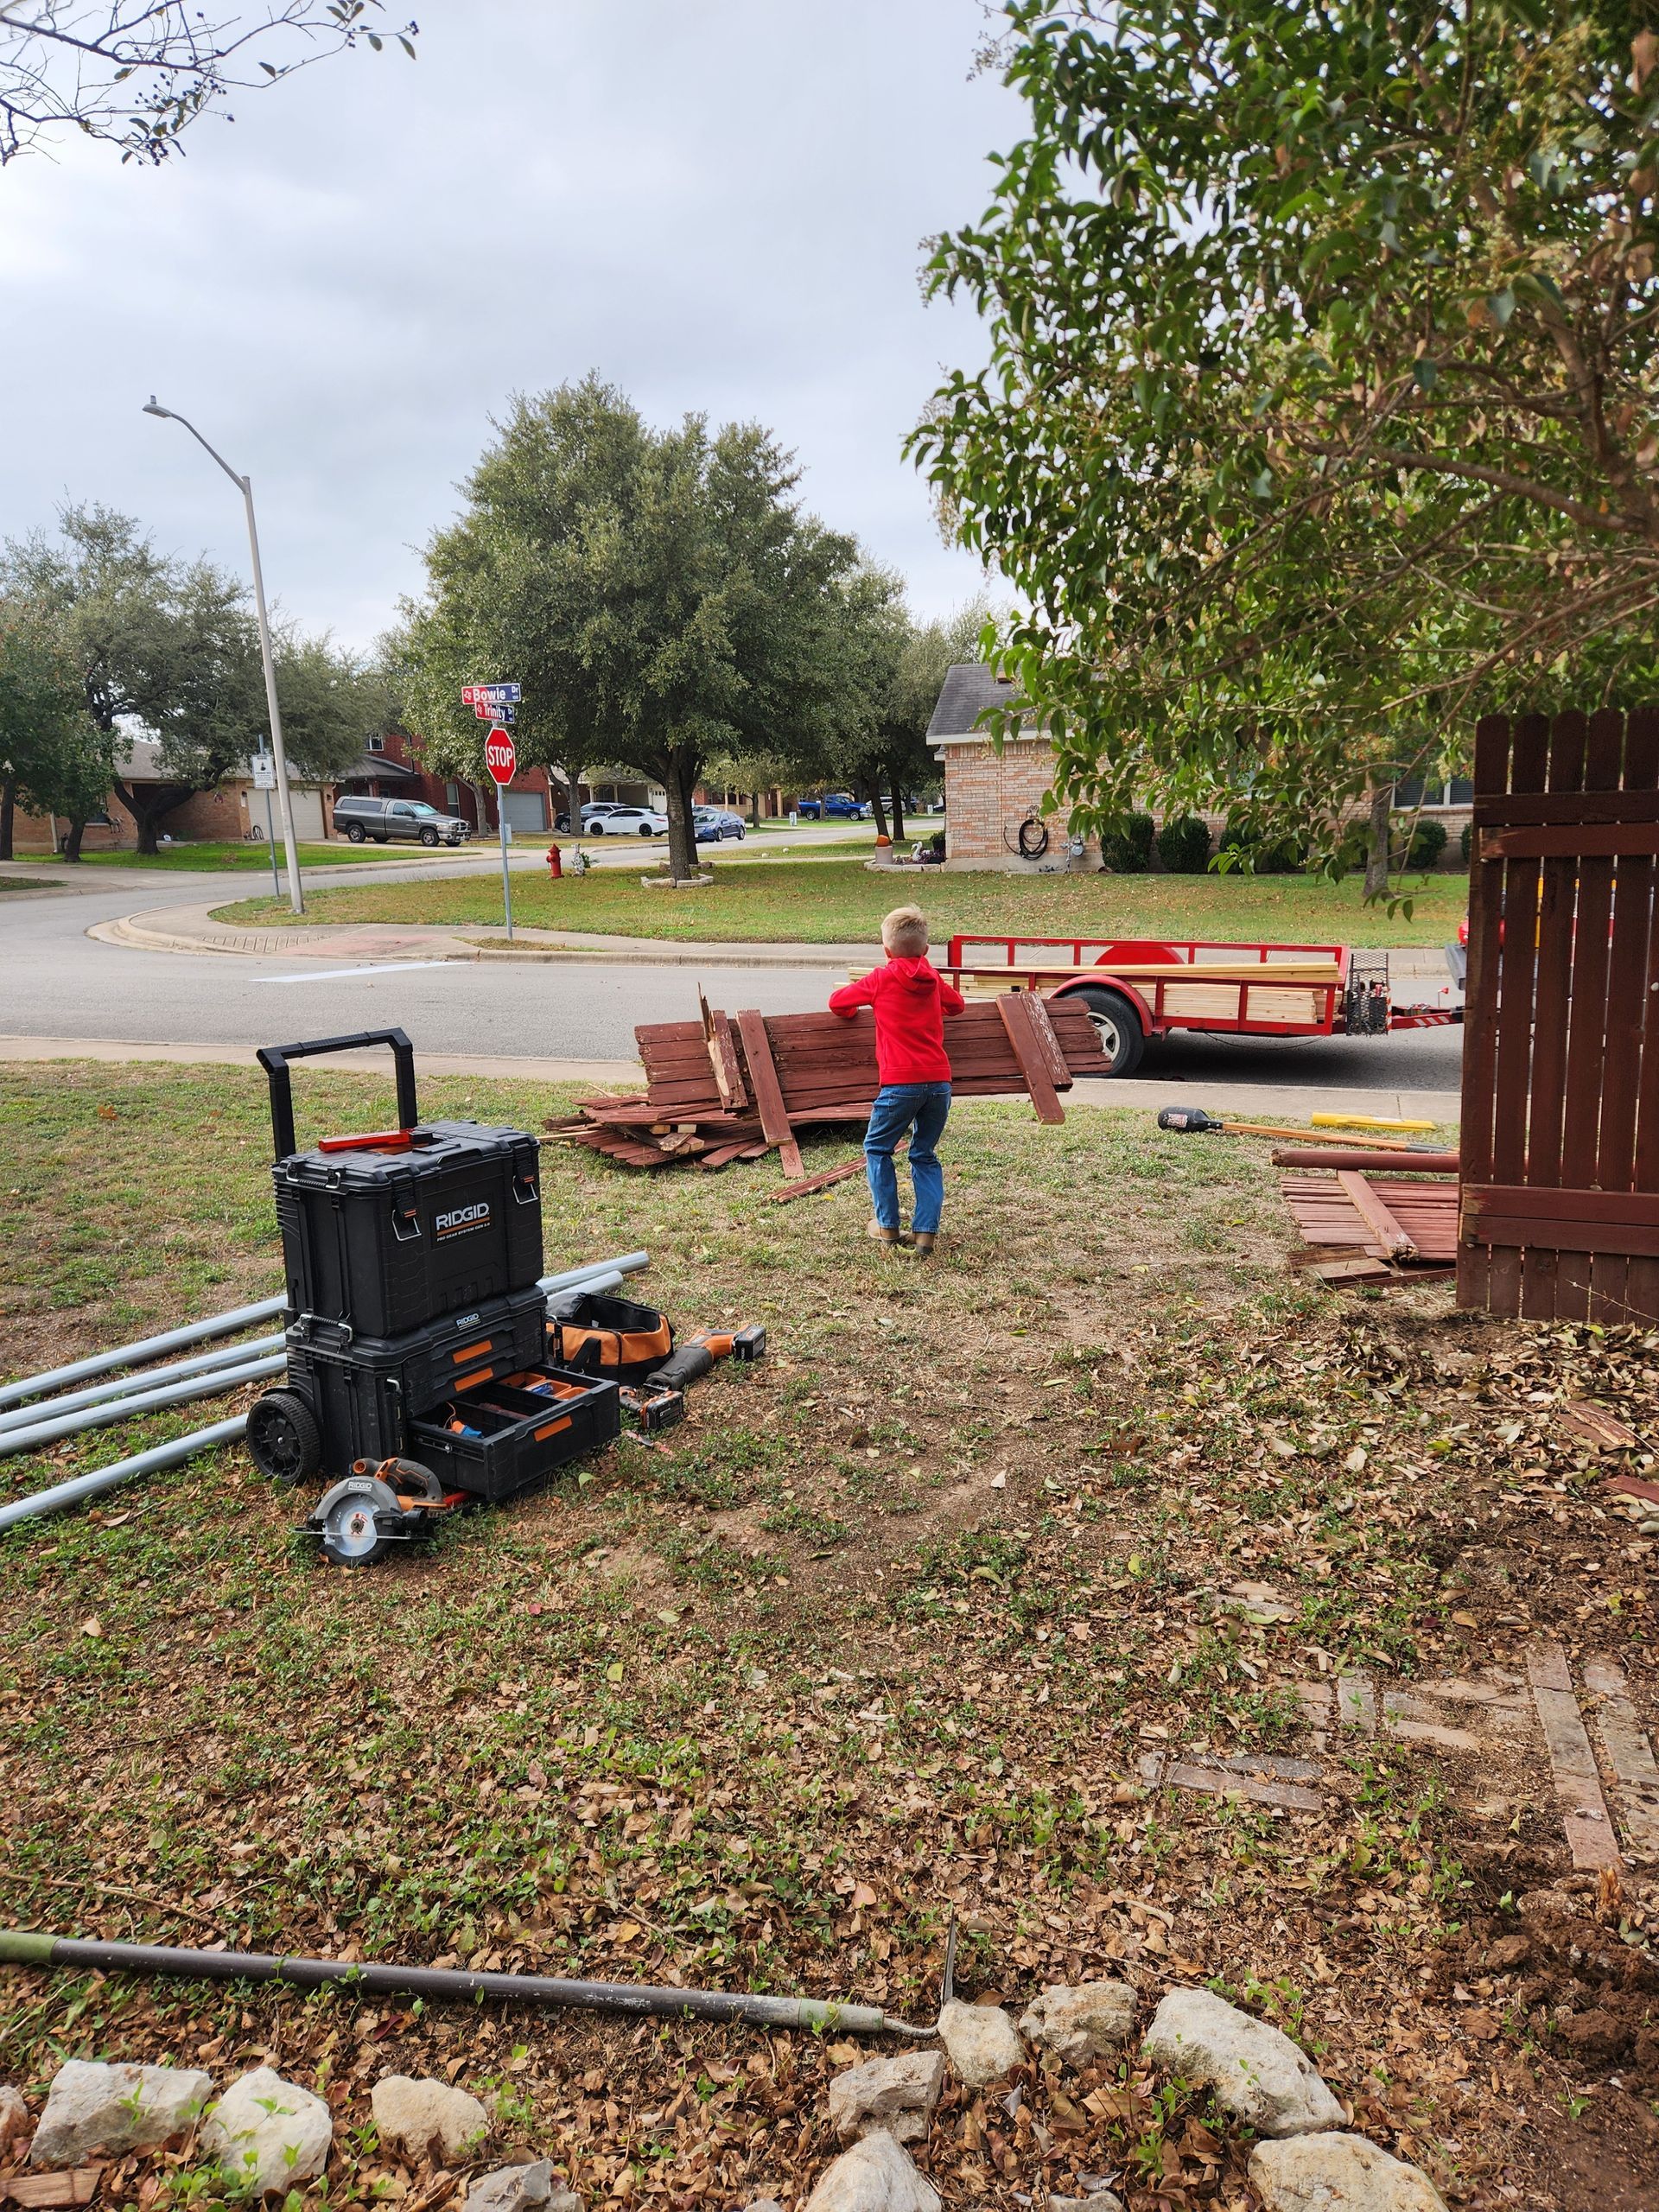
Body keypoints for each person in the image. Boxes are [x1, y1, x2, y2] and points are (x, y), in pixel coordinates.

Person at [829, 905, 964, 1256]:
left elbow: (837, 1002)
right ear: (926, 950)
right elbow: (958, 1006)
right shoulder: (933, 979)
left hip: (899, 1084)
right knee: (924, 1153)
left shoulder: (881, 978)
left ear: (887, 951)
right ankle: (925, 1235)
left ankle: (887, 1225)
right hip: (938, 1083)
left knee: (877, 1148)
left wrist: (854, 1010)